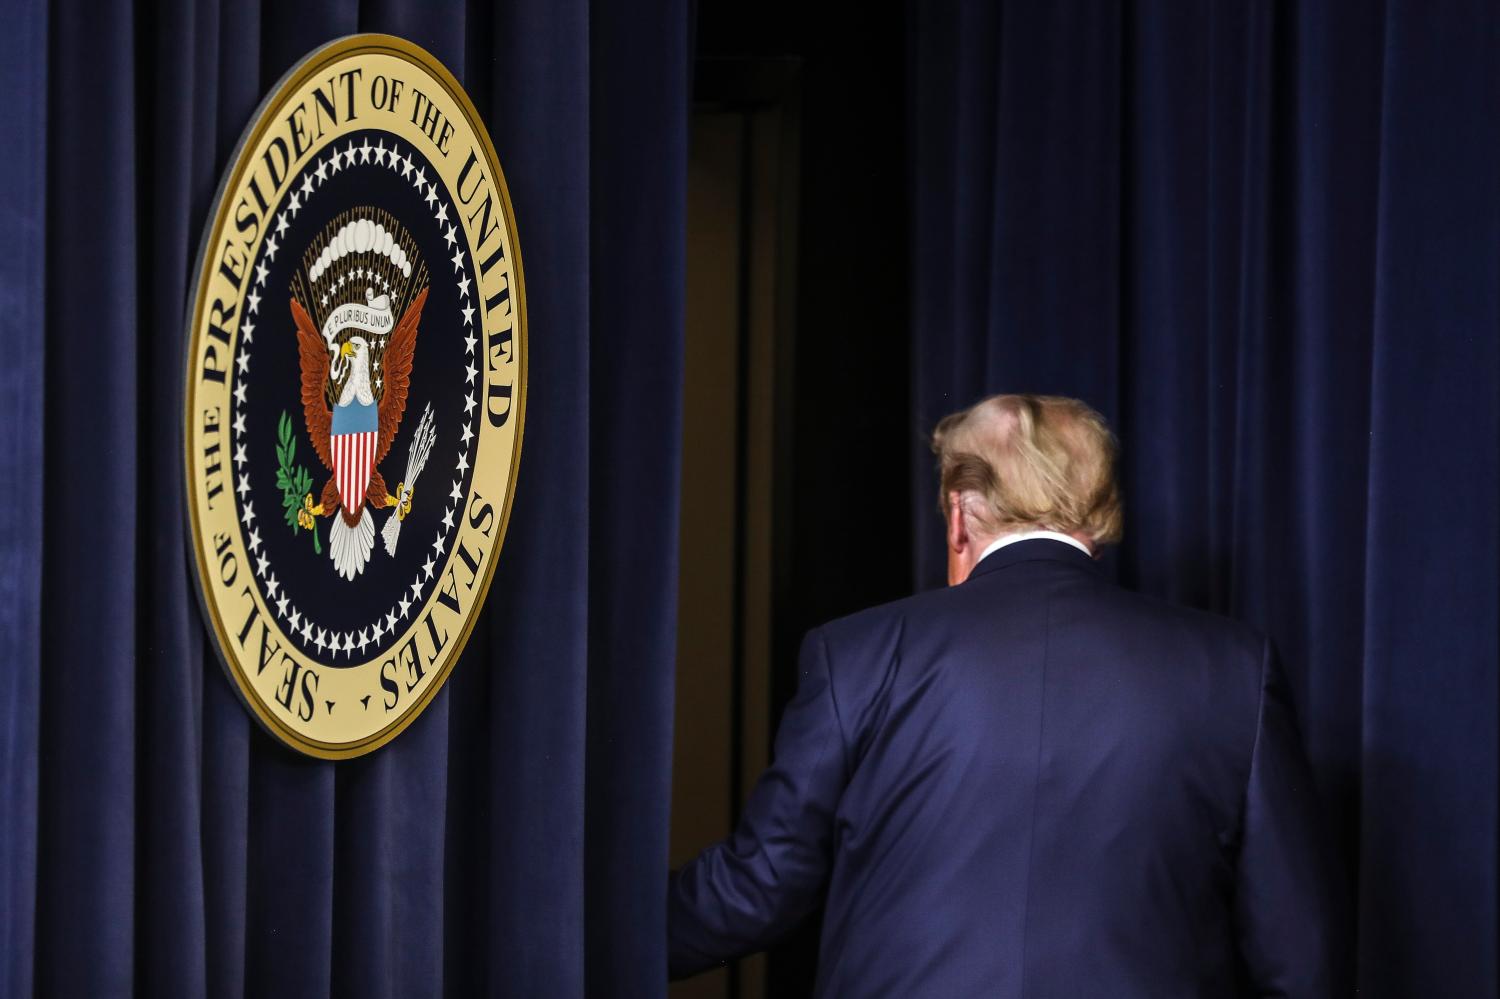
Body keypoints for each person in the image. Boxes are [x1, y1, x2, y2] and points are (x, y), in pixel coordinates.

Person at [667, 394, 1345, 997]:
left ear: (959, 514)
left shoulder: (853, 656)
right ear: (1102, 514)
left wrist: (583, 926)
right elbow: (1299, 955)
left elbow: (757, 892)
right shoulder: (1231, 667)